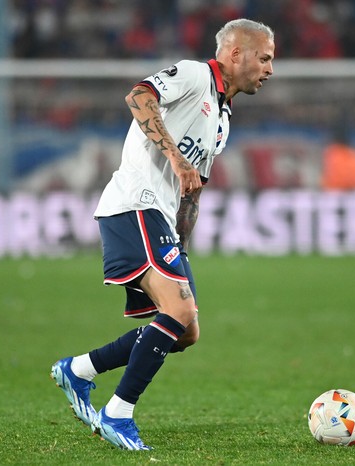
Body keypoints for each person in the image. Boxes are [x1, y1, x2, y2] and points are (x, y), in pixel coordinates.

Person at [50, 18, 275, 450]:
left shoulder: (222, 122)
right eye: (264, 58)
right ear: (234, 54)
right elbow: (138, 96)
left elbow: (192, 193)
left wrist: (181, 252)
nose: (269, 69)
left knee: (186, 328)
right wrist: (175, 157)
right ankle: (118, 413)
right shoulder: (194, 74)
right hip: (136, 202)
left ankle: (78, 370)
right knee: (176, 310)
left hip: (160, 218)